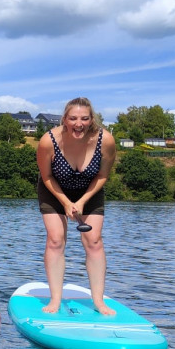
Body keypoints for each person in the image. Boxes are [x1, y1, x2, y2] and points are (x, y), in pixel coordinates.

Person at [36, 97, 117, 316]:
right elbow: (46, 176)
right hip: (54, 189)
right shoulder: (48, 141)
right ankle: (55, 300)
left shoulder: (105, 140)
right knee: (55, 239)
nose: (78, 124)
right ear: (64, 119)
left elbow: (102, 175)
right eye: (73, 118)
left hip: (89, 190)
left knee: (94, 241)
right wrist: (65, 202)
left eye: (84, 118)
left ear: (92, 120)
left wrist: (81, 202)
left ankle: (99, 302)